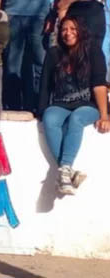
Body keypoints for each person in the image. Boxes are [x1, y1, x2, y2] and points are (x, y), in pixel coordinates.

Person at [38, 16, 110, 195]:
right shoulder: (54, 53)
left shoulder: (92, 50)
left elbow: (99, 84)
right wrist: (40, 111)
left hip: (88, 104)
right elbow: (45, 85)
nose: (67, 33)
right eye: (63, 29)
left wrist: (104, 115)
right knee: (49, 118)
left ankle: (64, 169)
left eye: (72, 29)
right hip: (62, 103)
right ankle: (68, 172)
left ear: (80, 31)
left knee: (76, 118)